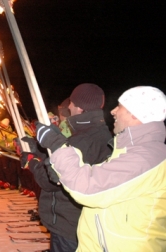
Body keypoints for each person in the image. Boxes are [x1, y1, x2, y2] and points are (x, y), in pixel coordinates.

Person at [46, 86, 166, 252]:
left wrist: (57, 146)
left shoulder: (146, 157)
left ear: (136, 113)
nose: (113, 111)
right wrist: (62, 171)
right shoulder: (127, 151)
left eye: (120, 107)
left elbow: (88, 188)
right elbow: (95, 177)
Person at [26, 83, 113, 252]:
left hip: (69, 223)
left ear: (80, 108)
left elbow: (50, 180)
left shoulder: (83, 140)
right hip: (76, 222)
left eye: (72, 102)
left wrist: (32, 161)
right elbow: (65, 159)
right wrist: (39, 150)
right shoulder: (100, 132)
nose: (69, 106)